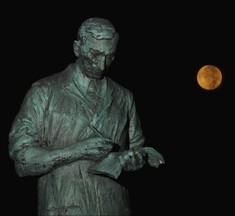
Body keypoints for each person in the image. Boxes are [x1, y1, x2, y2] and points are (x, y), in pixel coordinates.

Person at [9, 17, 164, 216]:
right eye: (95, 54)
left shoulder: (124, 97)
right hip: (63, 207)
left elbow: (139, 150)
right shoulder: (44, 92)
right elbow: (22, 161)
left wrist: (136, 161)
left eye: (110, 56)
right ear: (77, 48)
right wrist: (78, 150)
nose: (102, 65)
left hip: (115, 208)